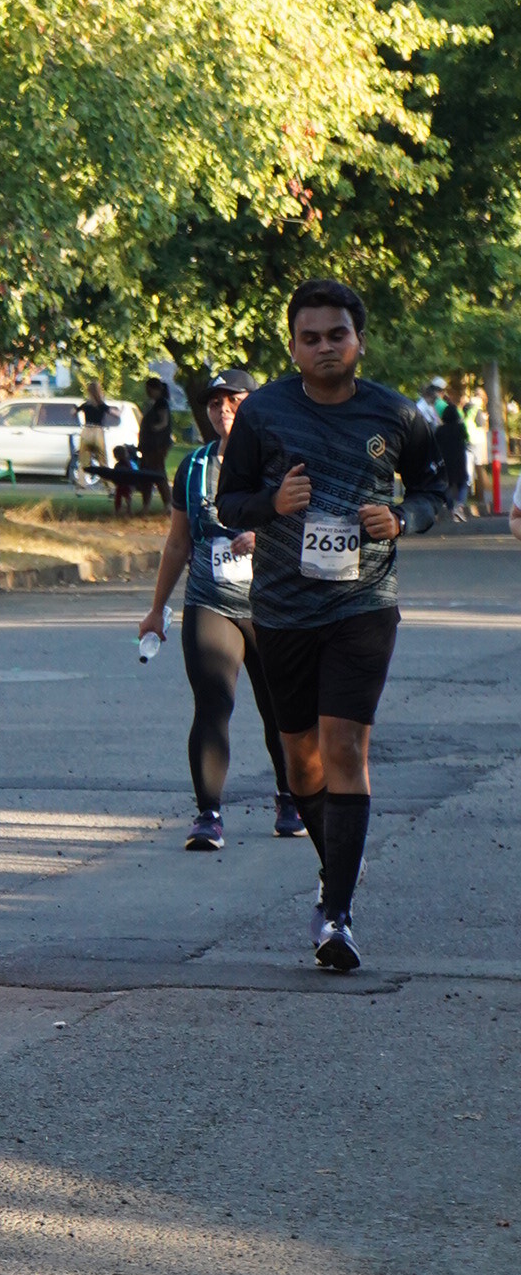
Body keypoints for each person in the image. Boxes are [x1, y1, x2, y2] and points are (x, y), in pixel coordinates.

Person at [216, 279, 447, 972]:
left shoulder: (395, 413)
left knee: (345, 746)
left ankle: (337, 915)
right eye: (310, 337)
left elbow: (435, 491)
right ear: (293, 347)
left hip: (363, 604)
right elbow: (228, 505)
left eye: (336, 335)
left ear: (359, 341)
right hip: (282, 609)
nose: (324, 347)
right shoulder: (263, 412)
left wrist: (401, 517)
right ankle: (336, 865)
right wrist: (272, 502)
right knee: (301, 761)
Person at [137, 367, 301, 850]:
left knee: (280, 710)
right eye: (214, 402)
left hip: (273, 605)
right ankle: (208, 814)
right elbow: (177, 543)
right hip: (210, 601)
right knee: (212, 704)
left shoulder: (280, 461)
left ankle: (290, 799)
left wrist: (264, 537)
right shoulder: (194, 467)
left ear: (255, 404)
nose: (223, 409)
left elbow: (306, 529)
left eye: (234, 400)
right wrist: (156, 609)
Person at [136, 380, 174, 510]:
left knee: (157, 473)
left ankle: (167, 503)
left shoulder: (161, 403)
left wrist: (153, 429)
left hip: (157, 445)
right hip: (148, 446)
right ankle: (146, 503)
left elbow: (164, 422)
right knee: (146, 474)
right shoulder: (152, 403)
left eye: (150, 390)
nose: (148, 393)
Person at [435, 387, 472, 519]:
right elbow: (467, 438)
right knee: (463, 482)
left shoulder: (440, 430)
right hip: (460, 458)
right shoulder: (460, 428)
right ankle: (460, 505)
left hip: (446, 459)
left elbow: (435, 443)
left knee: (447, 484)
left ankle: (450, 506)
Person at [76, 383, 109, 483]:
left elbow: (74, 411)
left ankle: (81, 484)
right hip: (98, 431)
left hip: (86, 430)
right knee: (102, 460)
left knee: (83, 460)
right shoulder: (102, 405)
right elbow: (115, 413)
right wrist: (121, 410)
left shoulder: (86, 405)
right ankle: (108, 485)